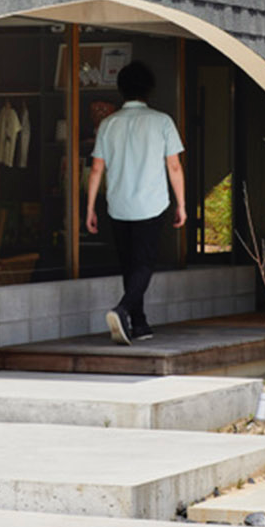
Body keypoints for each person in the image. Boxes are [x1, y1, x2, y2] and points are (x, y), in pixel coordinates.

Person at [84, 59, 186, 344]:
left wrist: (90, 207)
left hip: (118, 205)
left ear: (121, 89)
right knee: (144, 263)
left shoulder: (108, 123)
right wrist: (182, 204)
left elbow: (96, 169)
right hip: (151, 204)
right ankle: (124, 309)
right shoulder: (162, 121)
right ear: (149, 90)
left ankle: (139, 324)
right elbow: (174, 167)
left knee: (129, 264)